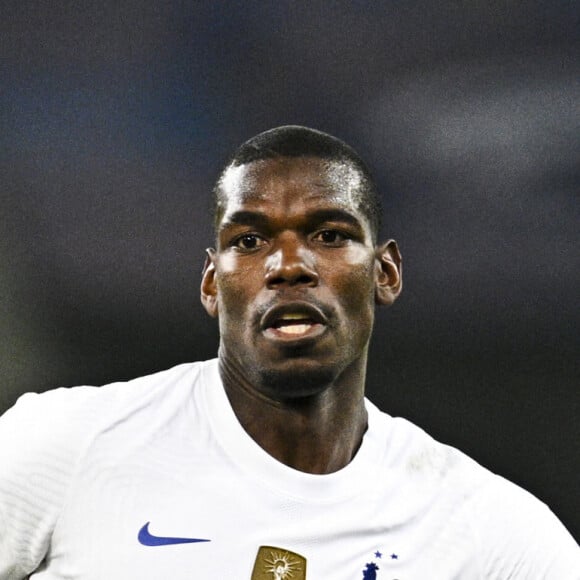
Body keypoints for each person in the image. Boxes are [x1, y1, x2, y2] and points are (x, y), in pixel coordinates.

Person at [0, 126, 577, 579]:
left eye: (329, 235)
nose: (288, 267)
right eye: (249, 241)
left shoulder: (483, 528)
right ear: (211, 284)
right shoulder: (66, 446)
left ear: (386, 272)